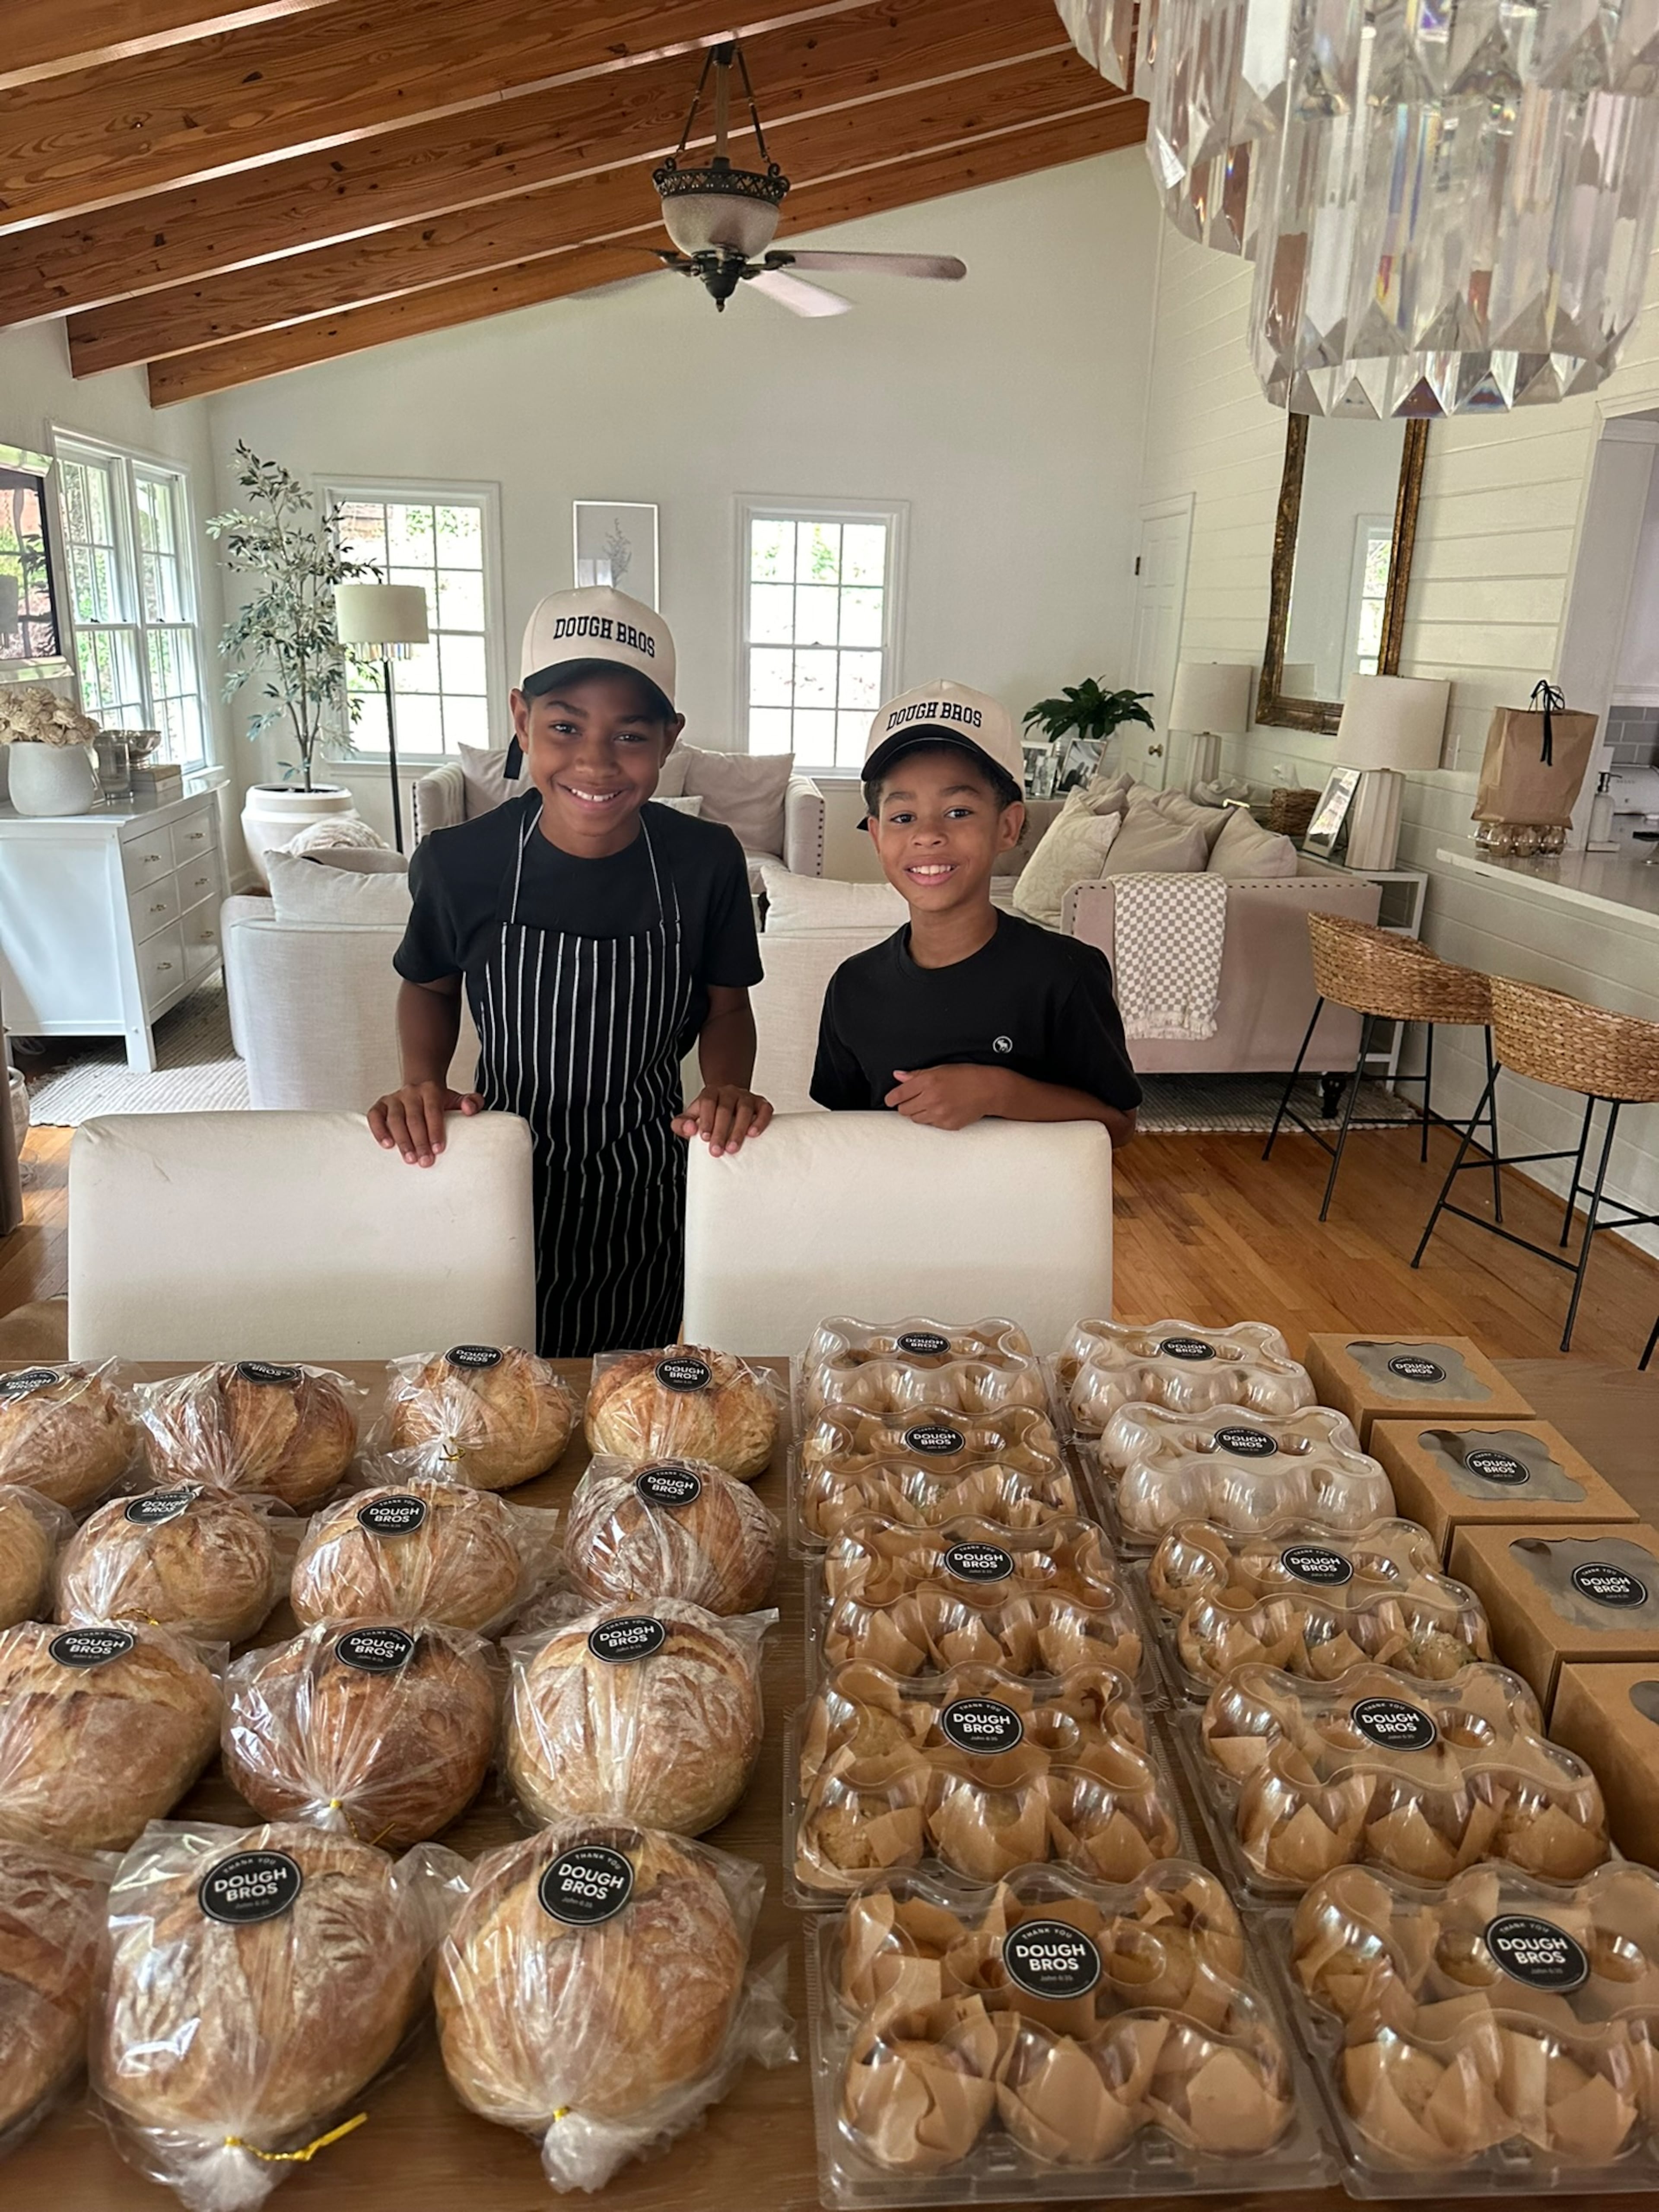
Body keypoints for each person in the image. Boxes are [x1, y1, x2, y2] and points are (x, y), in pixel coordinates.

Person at [369, 586, 771, 1356]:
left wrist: (727, 1087)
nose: (595, 760)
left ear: (669, 739)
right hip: (502, 1179)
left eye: (630, 735)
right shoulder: (461, 863)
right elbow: (428, 983)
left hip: (647, 1187)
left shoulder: (705, 861)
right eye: (565, 726)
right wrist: (422, 1079)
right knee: (506, 1382)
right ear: (521, 720)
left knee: (634, 1388)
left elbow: (727, 1007)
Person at [810, 680, 1140, 1143]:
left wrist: (999, 1091)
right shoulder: (853, 985)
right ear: (878, 836)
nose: (928, 834)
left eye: (959, 811)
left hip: (1021, 1193)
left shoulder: (1066, 974)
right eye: (903, 817)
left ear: (1008, 826)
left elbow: (1120, 1125)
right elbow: (845, 1134)